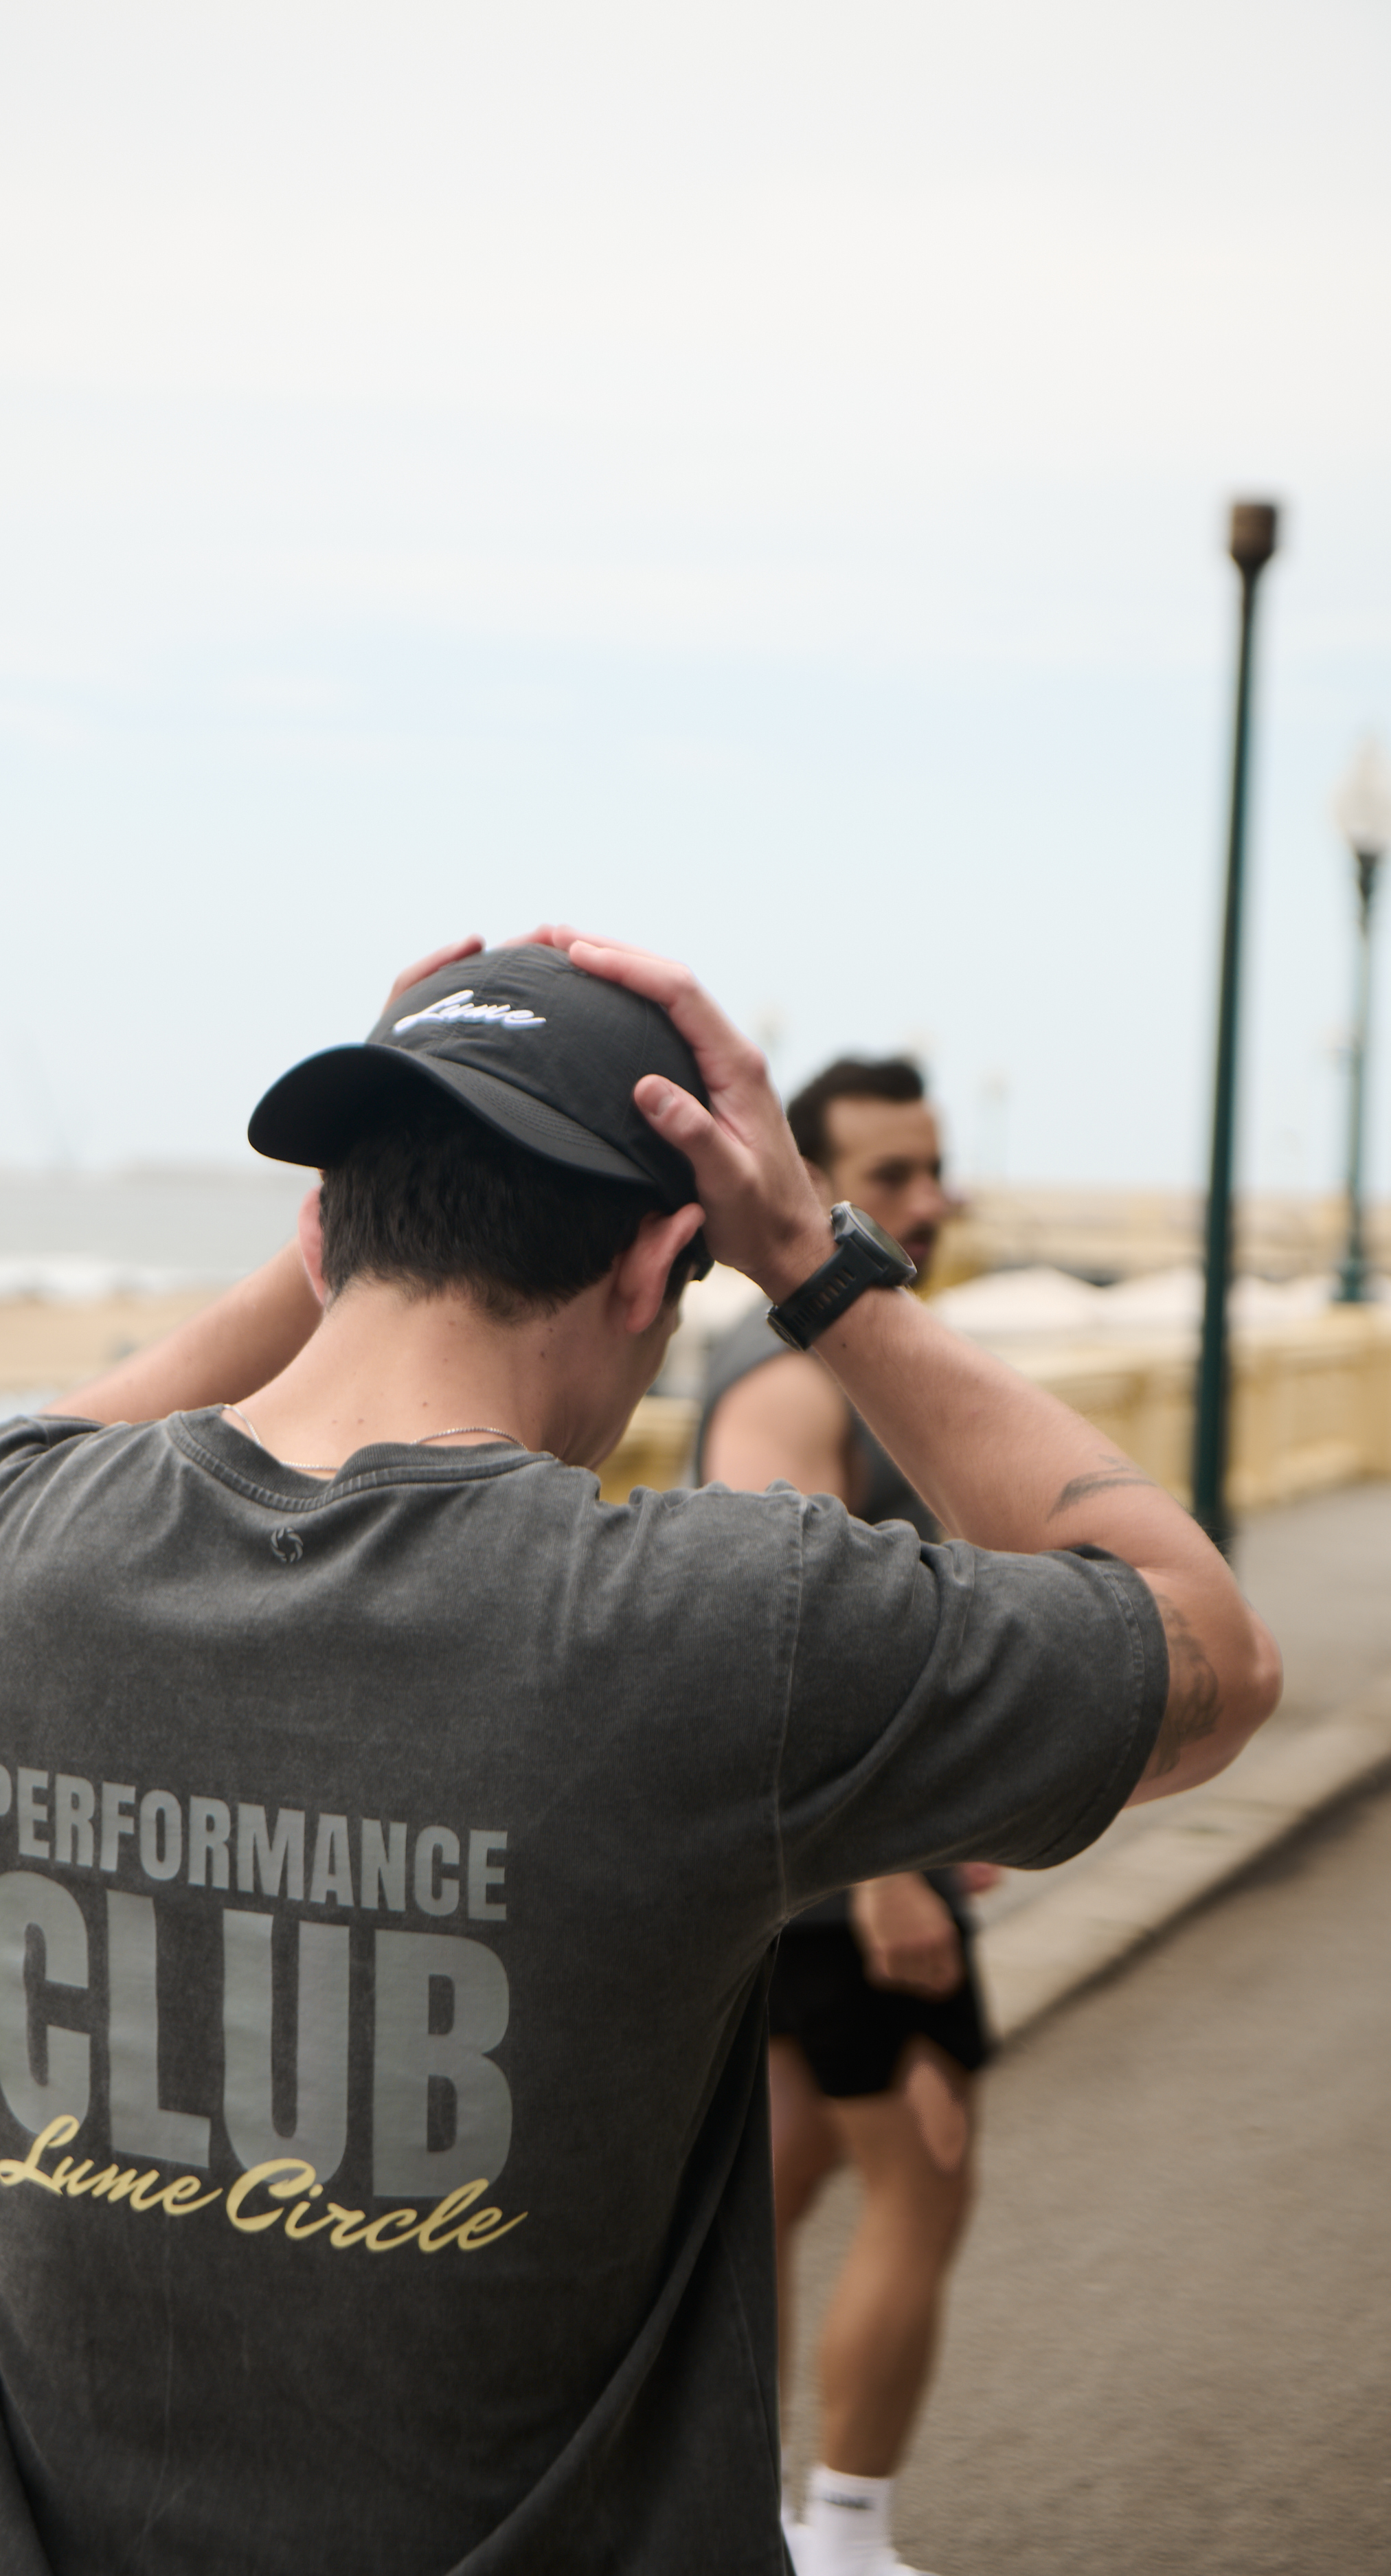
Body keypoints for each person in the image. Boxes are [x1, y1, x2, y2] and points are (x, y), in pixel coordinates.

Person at [0, 931, 1278, 2576]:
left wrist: (354, 1222)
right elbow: (1210, 1649)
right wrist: (807, 1256)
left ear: (318, 1230)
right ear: (657, 1265)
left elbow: (59, 1437)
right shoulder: (715, 1632)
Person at [697, 1055, 988, 2576]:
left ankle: (727, 2516)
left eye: (934, 1168)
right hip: (842, 1884)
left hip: (813, 1875)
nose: (927, 1202)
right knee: (923, 2184)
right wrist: (890, 1873)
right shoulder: (791, 1383)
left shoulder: (836, 1360)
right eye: (887, 1177)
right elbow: (785, 1636)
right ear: (805, 1187)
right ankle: (844, 2539)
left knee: (782, 2180)